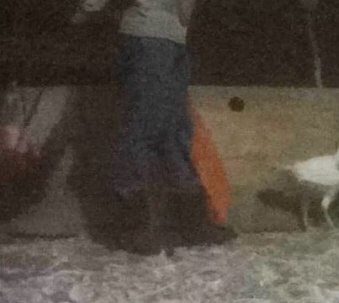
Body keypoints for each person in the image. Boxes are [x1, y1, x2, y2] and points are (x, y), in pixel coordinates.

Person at [73, 0, 236, 255]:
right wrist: (89, 7)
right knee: (142, 129)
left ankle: (192, 222)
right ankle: (133, 226)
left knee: (177, 131)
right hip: (147, 36)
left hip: (174, 39)